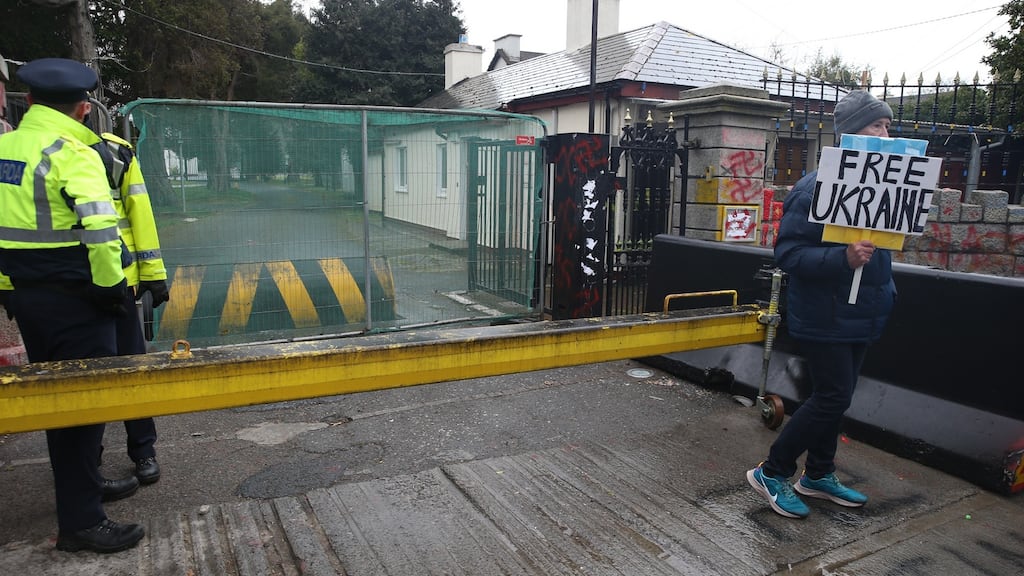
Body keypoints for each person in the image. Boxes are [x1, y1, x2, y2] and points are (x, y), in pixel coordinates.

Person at [0, 58, 144, 553]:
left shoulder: (4, 148)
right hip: (80, 301)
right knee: (84, 404)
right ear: (84, 109)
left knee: (57, 403)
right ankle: (82, 523)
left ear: (31, 103)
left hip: (28, 300)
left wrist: (7, 288)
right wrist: (111, 294)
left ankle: (85, 487)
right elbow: (103, 238)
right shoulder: (75, 153)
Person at [746, 89, 897, 519]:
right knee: (832, 396)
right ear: (851, 133)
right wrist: (842, 259)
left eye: (888, 126)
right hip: (824, 312)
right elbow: (788, 254)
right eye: (876, 126)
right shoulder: (814, 187)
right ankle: (772, 471)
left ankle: (818, 474)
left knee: (838, 397)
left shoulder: (885, 185)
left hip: (863, 312)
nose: (886, 134)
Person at [92, 130, 170, 487]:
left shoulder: (115, 153)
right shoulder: (21, 150)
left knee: (133, 372)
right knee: (75, 382)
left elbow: (139, 213)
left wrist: (153, 275)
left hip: (120, 283)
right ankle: (84, 462)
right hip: (64, 289)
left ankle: (143, 451)